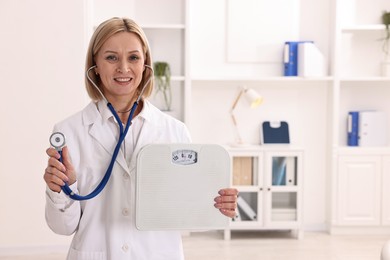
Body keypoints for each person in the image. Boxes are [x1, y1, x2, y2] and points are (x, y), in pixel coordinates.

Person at [43, 17, 238, 260]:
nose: (123, 68)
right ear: (95, 64)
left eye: (133, 57)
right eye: (111, 57)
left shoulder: (174, 131)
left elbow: (188, 214)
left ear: (145, 63)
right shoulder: (69, 131)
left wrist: (217, 204)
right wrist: (63, 188)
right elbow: (62, 227)